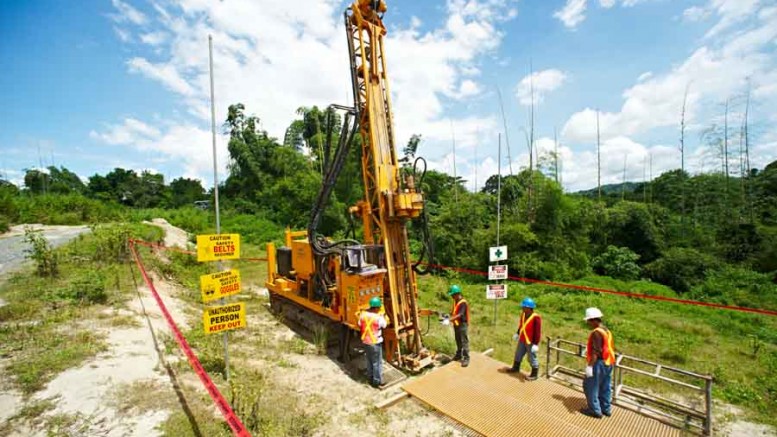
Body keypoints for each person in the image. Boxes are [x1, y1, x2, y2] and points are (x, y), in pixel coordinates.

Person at [581, 307, 615, 418]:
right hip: (608, 362)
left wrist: (590, 366)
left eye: (589, 321)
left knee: (590, 385)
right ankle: (606, 408)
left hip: (599, 363)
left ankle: (595, 410)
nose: (588, 323)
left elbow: (596, 351)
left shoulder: (596, 332)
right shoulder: (605, 329)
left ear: (594, 320)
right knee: (605, 386)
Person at [505, 297, 542, 380]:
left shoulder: (536, 318)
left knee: (531, 357)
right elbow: (521, 325)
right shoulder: (523, 315)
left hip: (530, 341)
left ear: (529, 308)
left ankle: (534, 374)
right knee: (518, 354)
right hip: (522, 339)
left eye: (524, 307)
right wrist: (517, 333)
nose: (522, 308)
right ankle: (515, 368)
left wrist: (536, 344)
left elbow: (537, 332)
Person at [358, 296, 388, 388]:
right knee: (377, 362)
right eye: (379, 307)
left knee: (369, 360)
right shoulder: (378, 318)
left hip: (366, 341)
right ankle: (377, 381)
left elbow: (359, 324)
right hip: (375, 342)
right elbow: (385, 325)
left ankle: (370, 377)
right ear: (376, 308)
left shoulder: (363, 315)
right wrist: (383, 315)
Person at [447, 285, 470, 367]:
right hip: (456, 324)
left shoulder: (463, 302)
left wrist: (449, 320)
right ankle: (459, 355)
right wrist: (447, 316)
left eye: (453, 295)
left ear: (457, 294)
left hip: (462, 324)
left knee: (464, 341)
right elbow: (454, 312)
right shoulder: (455, 301)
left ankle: (466, 358)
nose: (452, 297)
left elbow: (460, 314)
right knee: (458, 340)